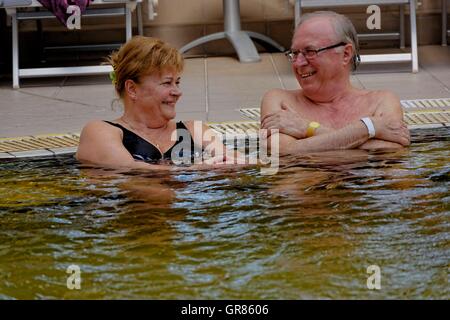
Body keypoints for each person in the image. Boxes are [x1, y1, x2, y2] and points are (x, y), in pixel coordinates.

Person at [260, 11, 410, 156]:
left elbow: (391, 153)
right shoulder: (280, 100)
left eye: (310, 51)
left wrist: (308, 129)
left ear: (345, 54)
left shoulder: (382, 101)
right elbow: (285, 152)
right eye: (294, 53)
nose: (298, 63)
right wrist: (369, 128)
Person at [76, 36, 233, 169]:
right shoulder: (99, 132)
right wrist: (196, 171)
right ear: (132, 89)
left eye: (177, 82)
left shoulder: (194, 129)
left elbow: (234, 160)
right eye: (167, 83)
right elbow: (130, 170)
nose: (178, 92)